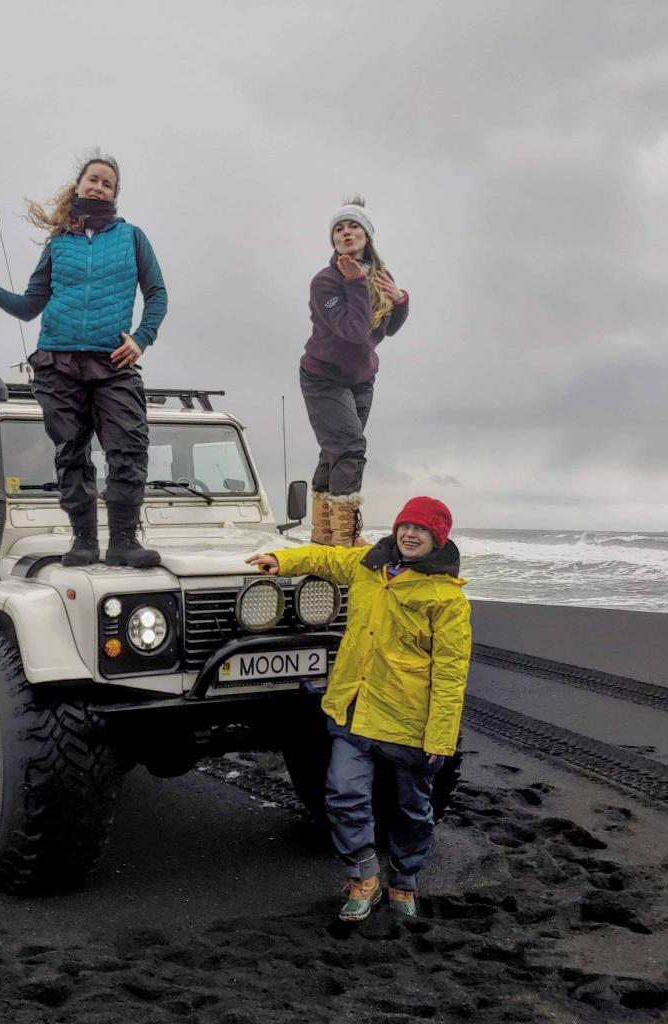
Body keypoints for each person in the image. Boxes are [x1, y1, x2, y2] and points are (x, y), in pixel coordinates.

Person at [245, 496, 471, 921]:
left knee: (411, 812)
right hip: (352, 709)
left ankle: (403, 883)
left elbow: (450, 675)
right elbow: (326, 559)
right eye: (406, 526)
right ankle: (364, 878)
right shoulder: (369, 565)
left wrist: (440, 737)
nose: (409, 534)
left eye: (420, 530)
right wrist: (280, 557)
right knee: (343, 796)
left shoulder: (446, 599)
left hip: (408, 722)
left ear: (437, 539)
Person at [0, 151, 168, 568]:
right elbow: (28, 306)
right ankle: (82, 541)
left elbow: (157, 295)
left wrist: (142, 339)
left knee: (128, 449)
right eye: (92, 180)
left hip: (114, 363)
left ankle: (124, 542)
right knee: (72, 452)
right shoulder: (59, 243)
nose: (98, 187)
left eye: (107, 183)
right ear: (78, 186)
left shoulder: (132, 238)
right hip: (59, 364)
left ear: (115, 195)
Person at [300, 196, 409, 547]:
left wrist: (401, 300)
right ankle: (345, 537)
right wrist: (355, 284)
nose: (346, 233)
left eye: (353, 226)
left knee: (334, 449)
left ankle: (323, 534)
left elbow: (387, 329)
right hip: (323, 376)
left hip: (361, 378)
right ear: (333, 240)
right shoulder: (326, 282)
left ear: (367, 235)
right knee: (349, 447)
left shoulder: (380, 276)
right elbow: (353, 331)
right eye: (338, 229)